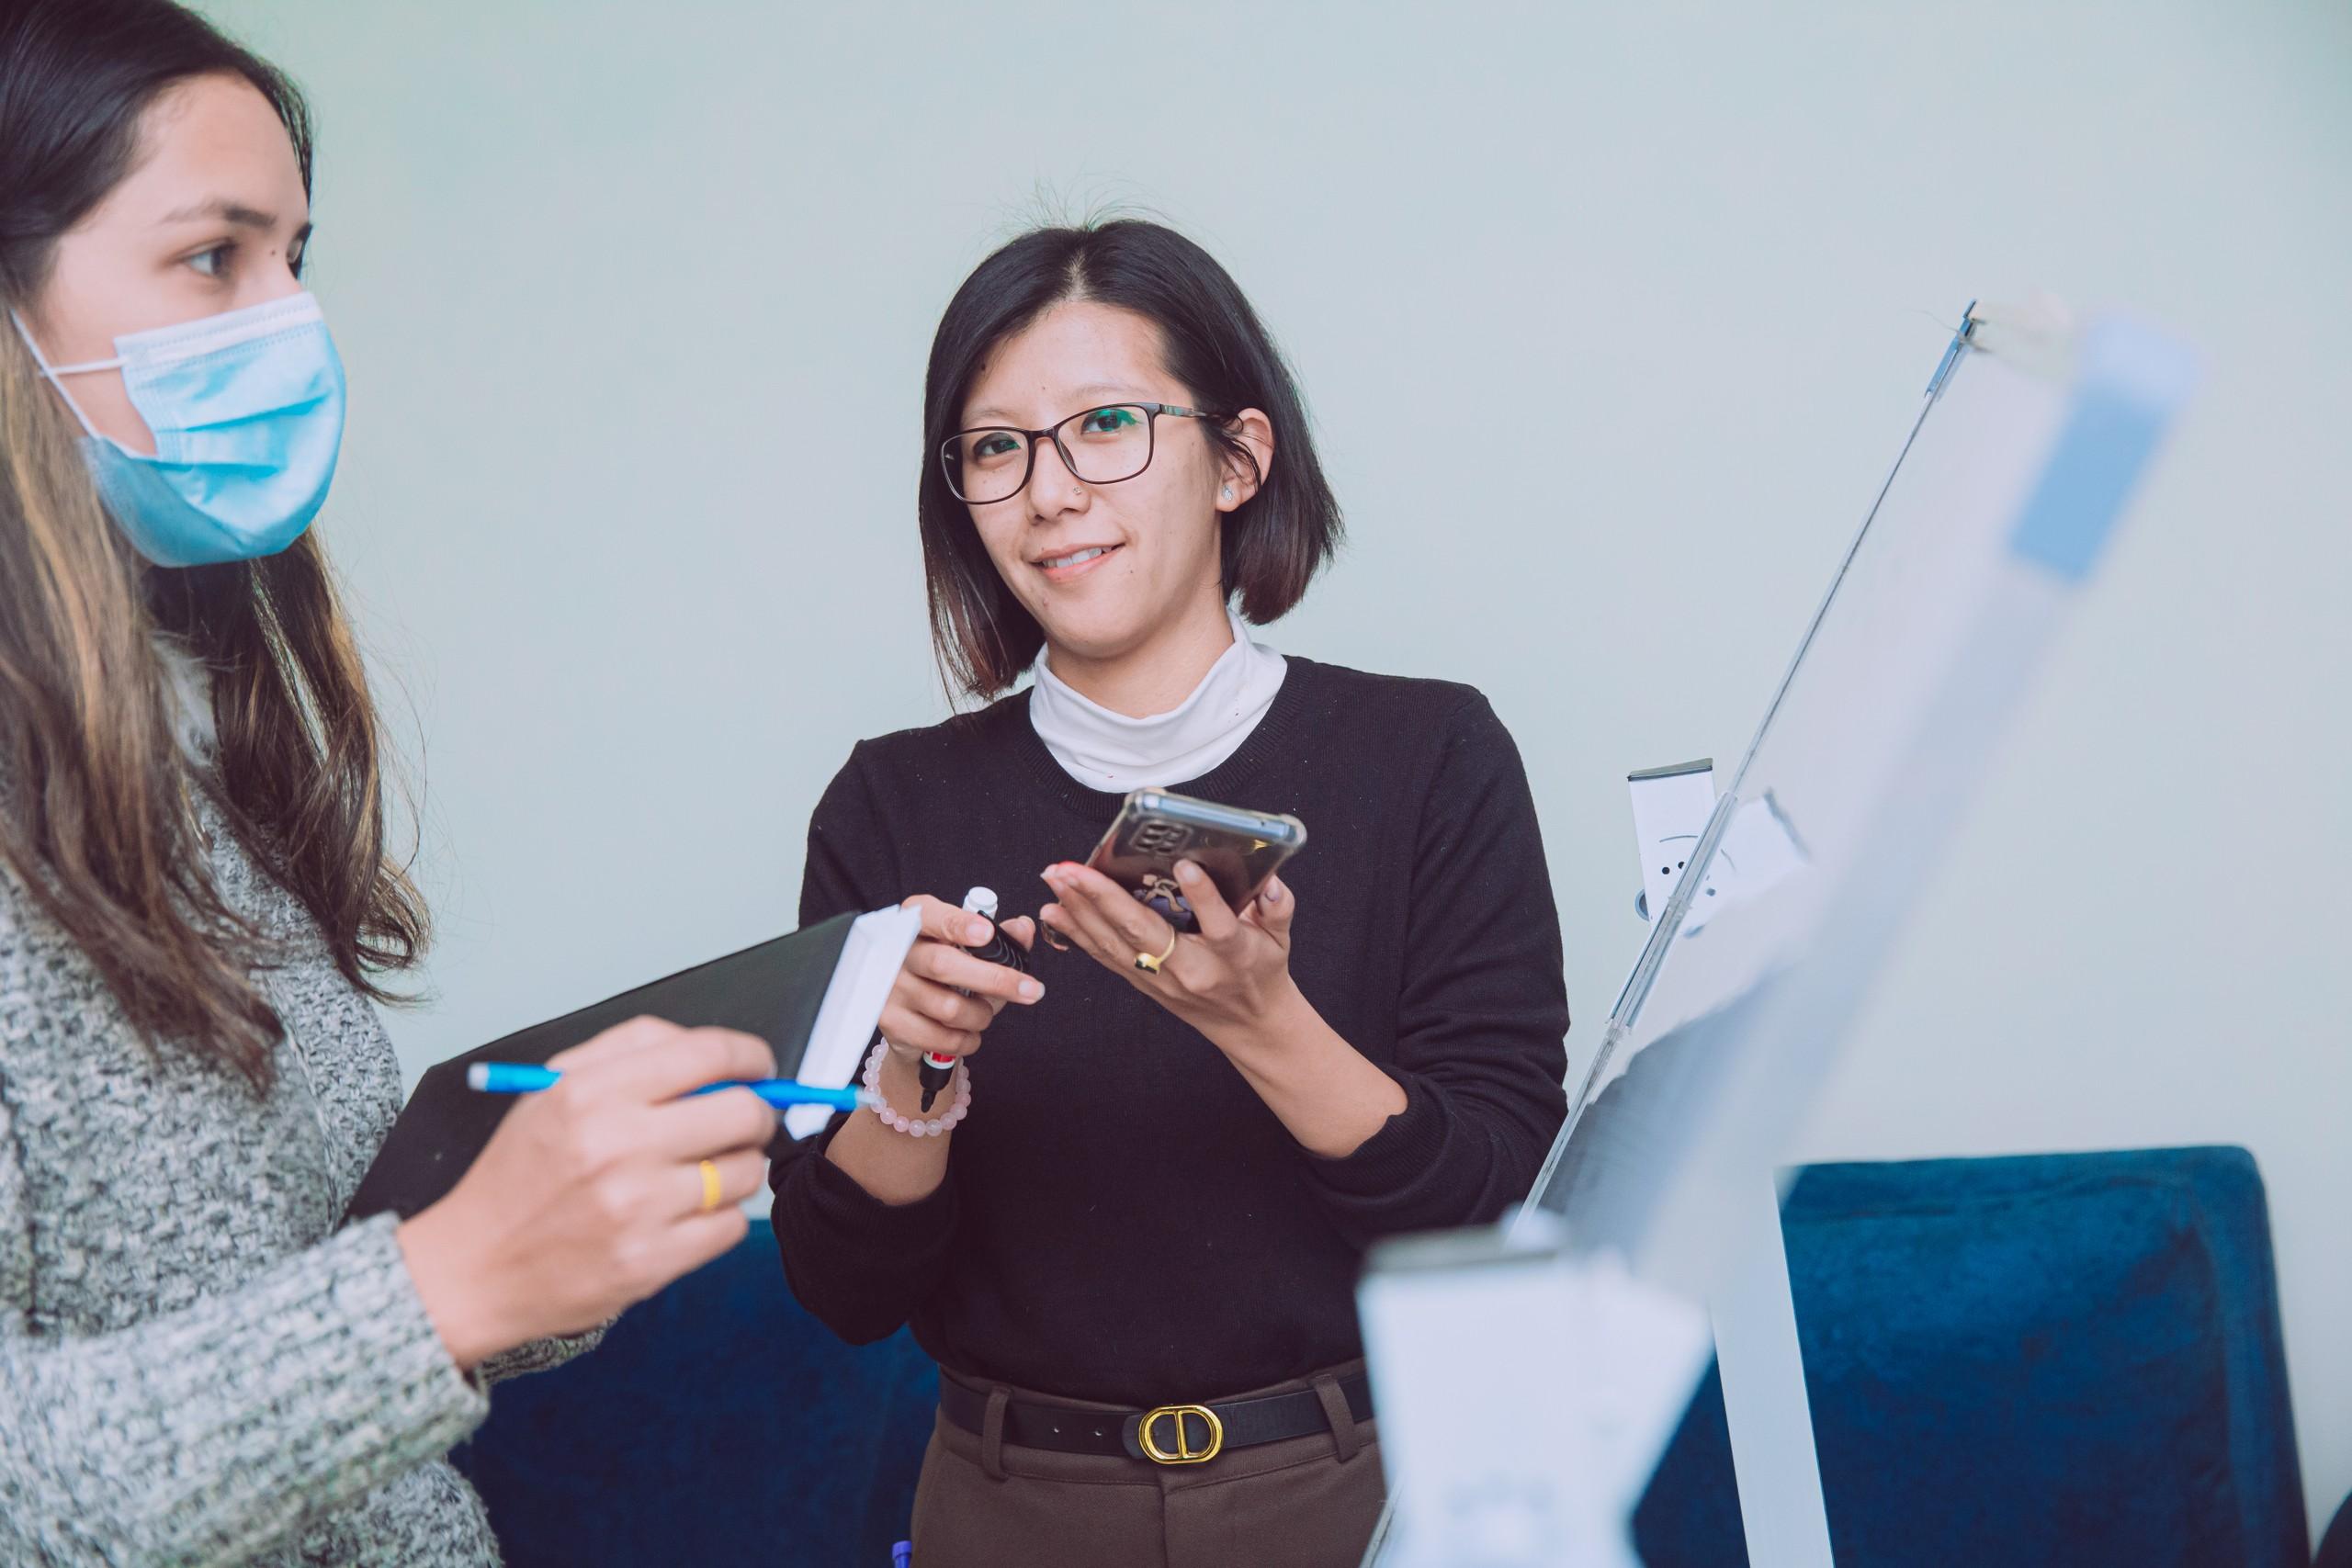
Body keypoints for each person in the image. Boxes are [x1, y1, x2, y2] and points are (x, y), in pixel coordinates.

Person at [0, 4, 778, 1562]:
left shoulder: (190, 760)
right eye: (216, 257)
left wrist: (540, 1228)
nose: (292, 321)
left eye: (296, 257)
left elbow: (286, 1285)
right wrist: (448, 1287)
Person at [769, 219, 1573, 1567]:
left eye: (1107, 426)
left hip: (1368, 1489)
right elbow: (844, 1291)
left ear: (1238, 460)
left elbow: (1492, 1210)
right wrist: (910, 1070)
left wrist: (1266, 1025)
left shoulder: (1430, 757)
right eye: (996, 447)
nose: (1052, 491)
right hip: (1010, 1506)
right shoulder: (890, 809)